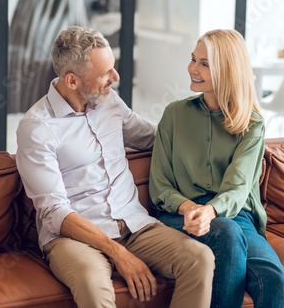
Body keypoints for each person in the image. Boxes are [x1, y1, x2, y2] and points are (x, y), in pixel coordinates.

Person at [15, 26, 214, 308]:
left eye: (113, 67)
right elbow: (54, 212)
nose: (116, 77)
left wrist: (217, 135)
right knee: (92, 284)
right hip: (75, 239)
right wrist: (119, 254)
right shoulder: (37, 128)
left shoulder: (109, 102)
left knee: (199, 258)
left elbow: (155, 139)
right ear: (72, 81)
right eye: (105, 73)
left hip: (135, 225)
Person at [149, 29, 284, 308]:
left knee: (275, 280)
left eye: (204, 63)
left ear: (227, 70)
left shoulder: (252, 125)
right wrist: (190, 208)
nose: (192, 68)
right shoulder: (174, 115)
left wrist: (211, 211)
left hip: (236, 217)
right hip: (179, 216)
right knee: (225, 232)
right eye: (193, 59)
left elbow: (238, 187)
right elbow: (160, 186)